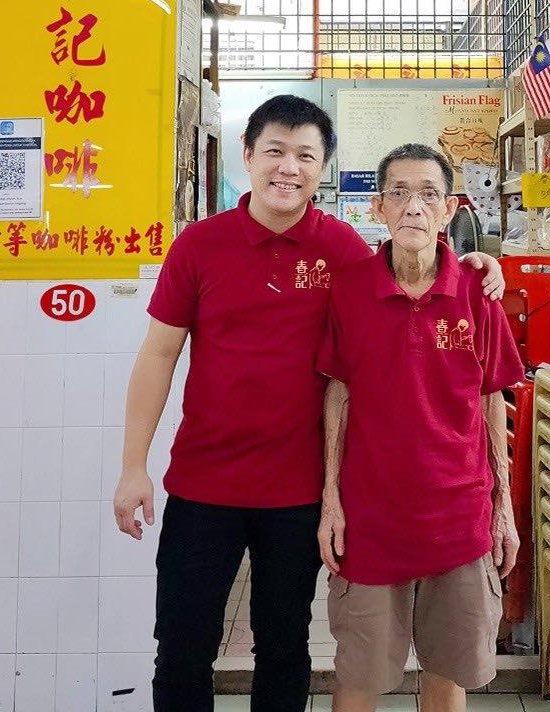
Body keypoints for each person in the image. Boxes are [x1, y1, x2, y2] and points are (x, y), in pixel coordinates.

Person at [113, 96, 505, 712]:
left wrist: (477, 265)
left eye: (305, 155)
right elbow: (158, 355)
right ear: (247, 154)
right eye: (274, 151)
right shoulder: (199, 246)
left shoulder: (342, 249)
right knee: (183, 649)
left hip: (298, 497)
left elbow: (413, 272)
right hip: (202, 486)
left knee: (285, 650)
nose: (287, 168)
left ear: (322, 168)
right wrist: (133, 465)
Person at [317, 142, 525, 712]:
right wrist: (330, 501)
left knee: (447, 672)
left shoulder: (479, 296)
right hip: (370, 520)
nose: (414, 207)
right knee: (358, 677)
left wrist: (502, 507)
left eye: (429, 194)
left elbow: (491, 399)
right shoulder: (351, 289)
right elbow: (338, 392)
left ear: (450, 207)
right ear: (378, 207)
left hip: (459, 519)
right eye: (400, 194)